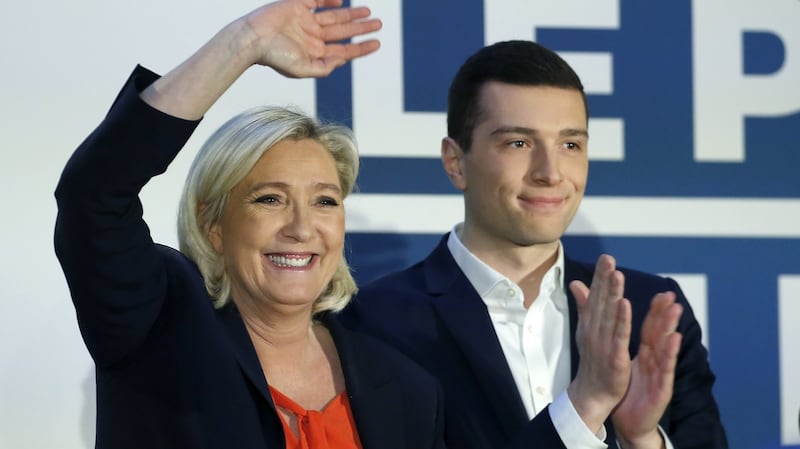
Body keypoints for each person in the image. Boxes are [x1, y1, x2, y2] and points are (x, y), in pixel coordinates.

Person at [53, 1, 445, 448]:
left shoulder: (408, 388)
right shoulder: (158, 324)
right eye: (270, 199)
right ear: (213, 223)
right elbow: (93, 196)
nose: (301, 227)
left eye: (323, 201)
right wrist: (245, 42)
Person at [342, 40, 728, 448]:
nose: (550, 172)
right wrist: (586, 406)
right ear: (456, 162)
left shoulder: (650, 309)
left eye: (570, 145)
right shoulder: (376, 323)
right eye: (518, 143)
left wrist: (642, 438)